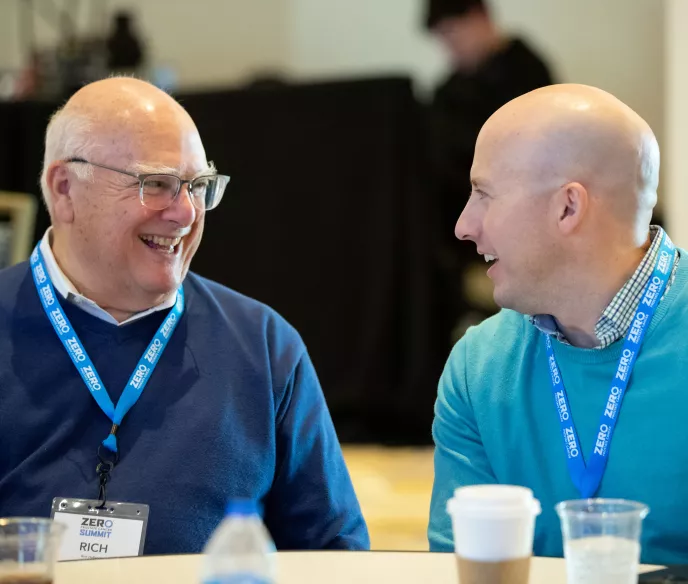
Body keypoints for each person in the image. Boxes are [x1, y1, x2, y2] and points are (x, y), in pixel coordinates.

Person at [0, 77, 369, 554]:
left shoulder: (263, 345)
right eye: (156, 184)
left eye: (197, 187)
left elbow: (333, 554)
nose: (186, 213)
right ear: (65, 188)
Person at [428, 83, 688, 566]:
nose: (464, 225)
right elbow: (459, 567)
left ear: (568, 207)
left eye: (483, 194)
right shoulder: (477, 367)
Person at [424, 0, 555, 350]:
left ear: (479, 18)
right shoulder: (449, 89)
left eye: (454, 37)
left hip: (519, 216)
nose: (451, 51)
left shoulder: (526, 72)